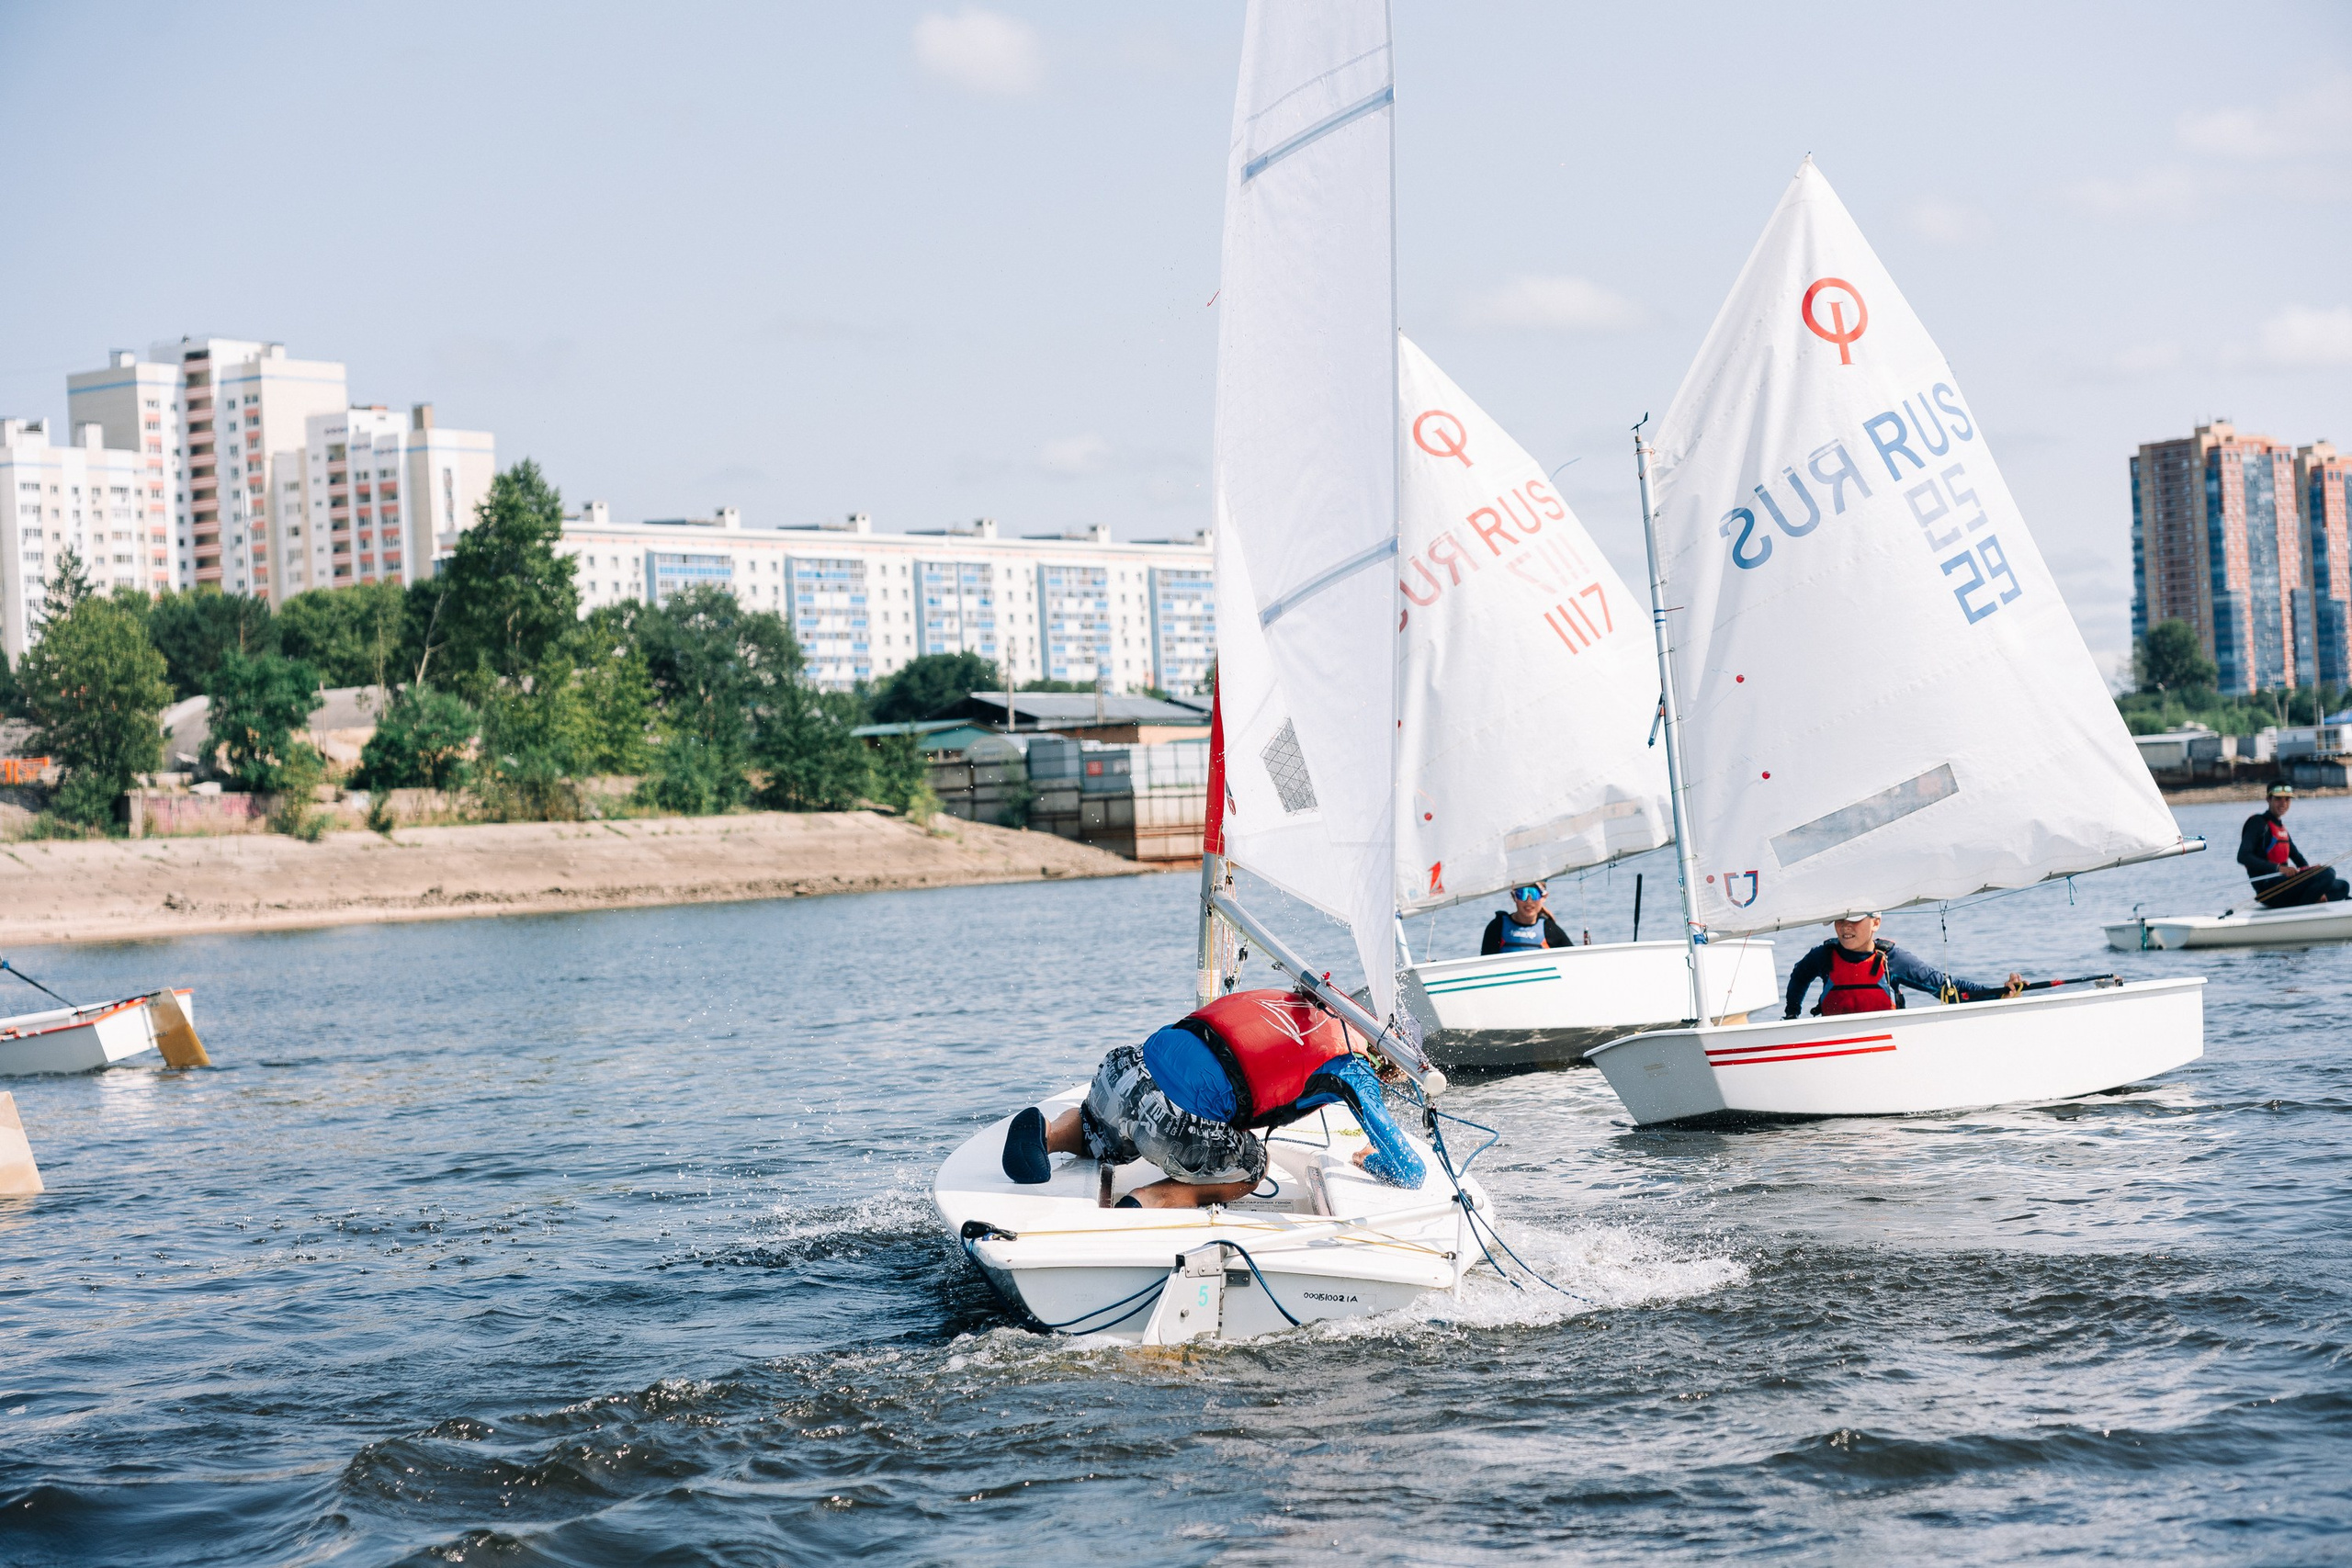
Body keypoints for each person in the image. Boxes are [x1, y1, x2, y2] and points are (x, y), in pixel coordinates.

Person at [1001, 987, 1425, 1209]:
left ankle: (1048, 1133)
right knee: (1254, 1163)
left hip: (1124, 1071)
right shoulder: (1353, 1066)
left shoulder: (1311, 997)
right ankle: (1152, 1201)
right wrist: (1368, 1158)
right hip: (1170, 1123)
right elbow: (1411, 1172)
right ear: (1392, 1063)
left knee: (1103, 1129)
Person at [1784, 911, 2024, 1018]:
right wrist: (1792, 1013)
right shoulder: (1822, 956)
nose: (1845, 927)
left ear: (1876, 923)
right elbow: (1799, 975)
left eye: (1854, 921)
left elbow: (1945, 987)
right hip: (1836, 1047)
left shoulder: (1893, 960)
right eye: (1840, 920)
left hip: (1885, 1047)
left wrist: (1997, 994)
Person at [2236, 783, 2348, 907]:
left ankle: (2311, 900)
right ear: (2268, 799)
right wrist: (2279, 868)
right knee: (2328, 873)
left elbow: (2299, 859)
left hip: (2286, 886)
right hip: (2269, 890)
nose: (2283, 803)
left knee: (2343, 886)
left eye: (2287, 799)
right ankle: (2304, 910)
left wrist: (2317, 886)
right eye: (2278, 798)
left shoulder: (2281, 829)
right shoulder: (2258, 823)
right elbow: (2243, 856)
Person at [1481, 883, 1575, 955]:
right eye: (1522, 893)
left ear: (1544, 897)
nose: (1529, 901)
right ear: (1514, 897)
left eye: (1534, 894)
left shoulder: (1549, 928)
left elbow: (1572, 960)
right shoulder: (1497, 926)